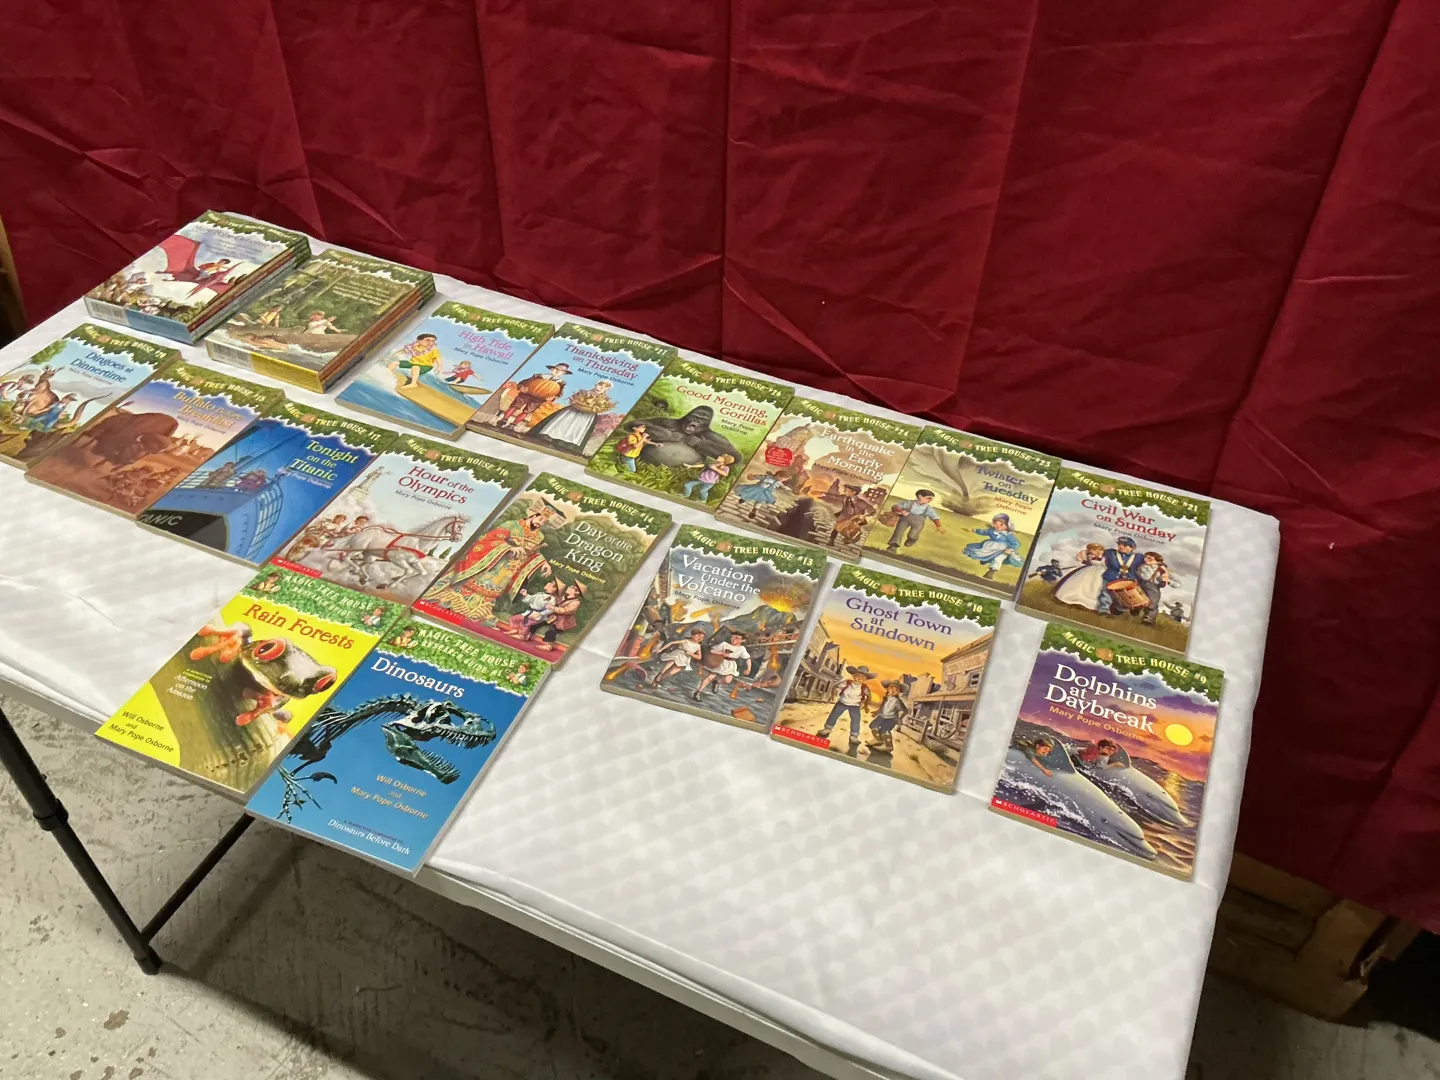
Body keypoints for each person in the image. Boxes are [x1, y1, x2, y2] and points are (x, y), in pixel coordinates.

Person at [528, 379, 616, 451]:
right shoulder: (584, 392)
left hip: (587, 416)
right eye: (600, 385)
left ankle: (566, 443)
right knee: (563, 423)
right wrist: (576, 402)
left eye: (605, 387)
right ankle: (549, 436)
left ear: (607, 389)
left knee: (577, 428)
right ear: (596, 384)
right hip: (573, 411)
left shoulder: (604, 398)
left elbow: (601, 407)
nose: (601, 388)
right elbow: (573, 399)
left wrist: (595, 407)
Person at [815, 665, 876, 748]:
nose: (859, 678)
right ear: (853, 676)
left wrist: (866, 705)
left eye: (862, 677)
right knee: (834, 715)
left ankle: (854, 736)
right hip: (842, 702)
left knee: (855, 720)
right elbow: (835, 686)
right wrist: (832, 695)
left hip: (855, 705)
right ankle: (827, 728)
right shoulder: (847, 682)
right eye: (857, 676)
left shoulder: (864, 687)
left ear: (865, 679)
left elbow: (869, 696)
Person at [499, 363, 571, 429]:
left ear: (564, 373)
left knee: (526, 412)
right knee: (514, 406)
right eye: (556, 369)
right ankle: (504, 419)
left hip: (539, 399)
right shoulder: (538, 376)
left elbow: (559, 394)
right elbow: (523, 382)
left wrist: (552, 398)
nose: (557, 371)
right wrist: (521, 387)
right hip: (526, 394)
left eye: (561, 371)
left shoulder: (561, 383)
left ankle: (513, 424)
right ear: (552, 369)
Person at [693, 631, 753, 700]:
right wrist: (721, 653)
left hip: (730, 664)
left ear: (742, 640)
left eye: (736, 638)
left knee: (728, 680)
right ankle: (698, 692)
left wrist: (749, 668)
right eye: (732, 637)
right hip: (720, 661)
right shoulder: (724, 644)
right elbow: (712, 650)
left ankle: (717, 682)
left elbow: (747, 658)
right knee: (710, 676)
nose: (733, 639)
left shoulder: (742, 649)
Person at [963, 513, 1023, 580]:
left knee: (998, 559)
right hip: (990, 546)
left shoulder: (1008, 534)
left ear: (1007, 526)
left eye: (1001, 524)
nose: (998, 526)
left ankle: (990, 572)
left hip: (1004, 549)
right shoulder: (991, 531)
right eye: (996, 523)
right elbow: (984, 532)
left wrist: (1011, 549)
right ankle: (986, 560)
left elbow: (1015, 543)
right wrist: (973, 530)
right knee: (982, 552)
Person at [1097, 535, 1143, 615]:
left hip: (1128, 580)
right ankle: (1104, 610)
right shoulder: (1110, 553)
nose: (1121, 547)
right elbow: (1096, 553)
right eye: (1119, 544)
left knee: (1127, 596)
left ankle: (1126, 608)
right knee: (1106, 593)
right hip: (1111, 577)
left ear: (1132, 548)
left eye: (1125, 545)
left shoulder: (1139, 557)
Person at [1052, 542, 1106, 610]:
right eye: (1094, 550)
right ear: (1090, 551)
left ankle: (1094, 604)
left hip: (1101, 572)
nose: (1098, 551)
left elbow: (1103, 563)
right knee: (1081, 584)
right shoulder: (1090, 556)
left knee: (1096, 585)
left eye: (1100, 550)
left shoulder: (1104, 557)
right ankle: (1072, 599)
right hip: (1089, 571)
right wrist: (1082, 560)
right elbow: (1089, 563)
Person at [866, 680, 911, 753]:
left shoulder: (897, 701)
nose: (894, 690)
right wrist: (876, 712)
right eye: (892, 687)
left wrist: (900, 718)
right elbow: (882, 707)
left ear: (899, 692)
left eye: (896, 689)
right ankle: (878, 740)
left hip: (892, 718)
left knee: (885, 730)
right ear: (887, 689)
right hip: (882, 716)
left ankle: (888, 746)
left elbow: (905, 711)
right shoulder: (886, 698)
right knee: (873, 725)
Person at [1135, 552, 1170, 626]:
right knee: (1137, 598)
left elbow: (1165, 579)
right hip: (1141, 584)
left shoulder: (1161, 569)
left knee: (1152, 602)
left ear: (1158, 562)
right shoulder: (1142, 566)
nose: (1146, 560)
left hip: (1153, 587)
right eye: (1145, 557)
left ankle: (1149, 618)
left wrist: (1164, 581)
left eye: (1150, 559)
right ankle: (1135, 609)